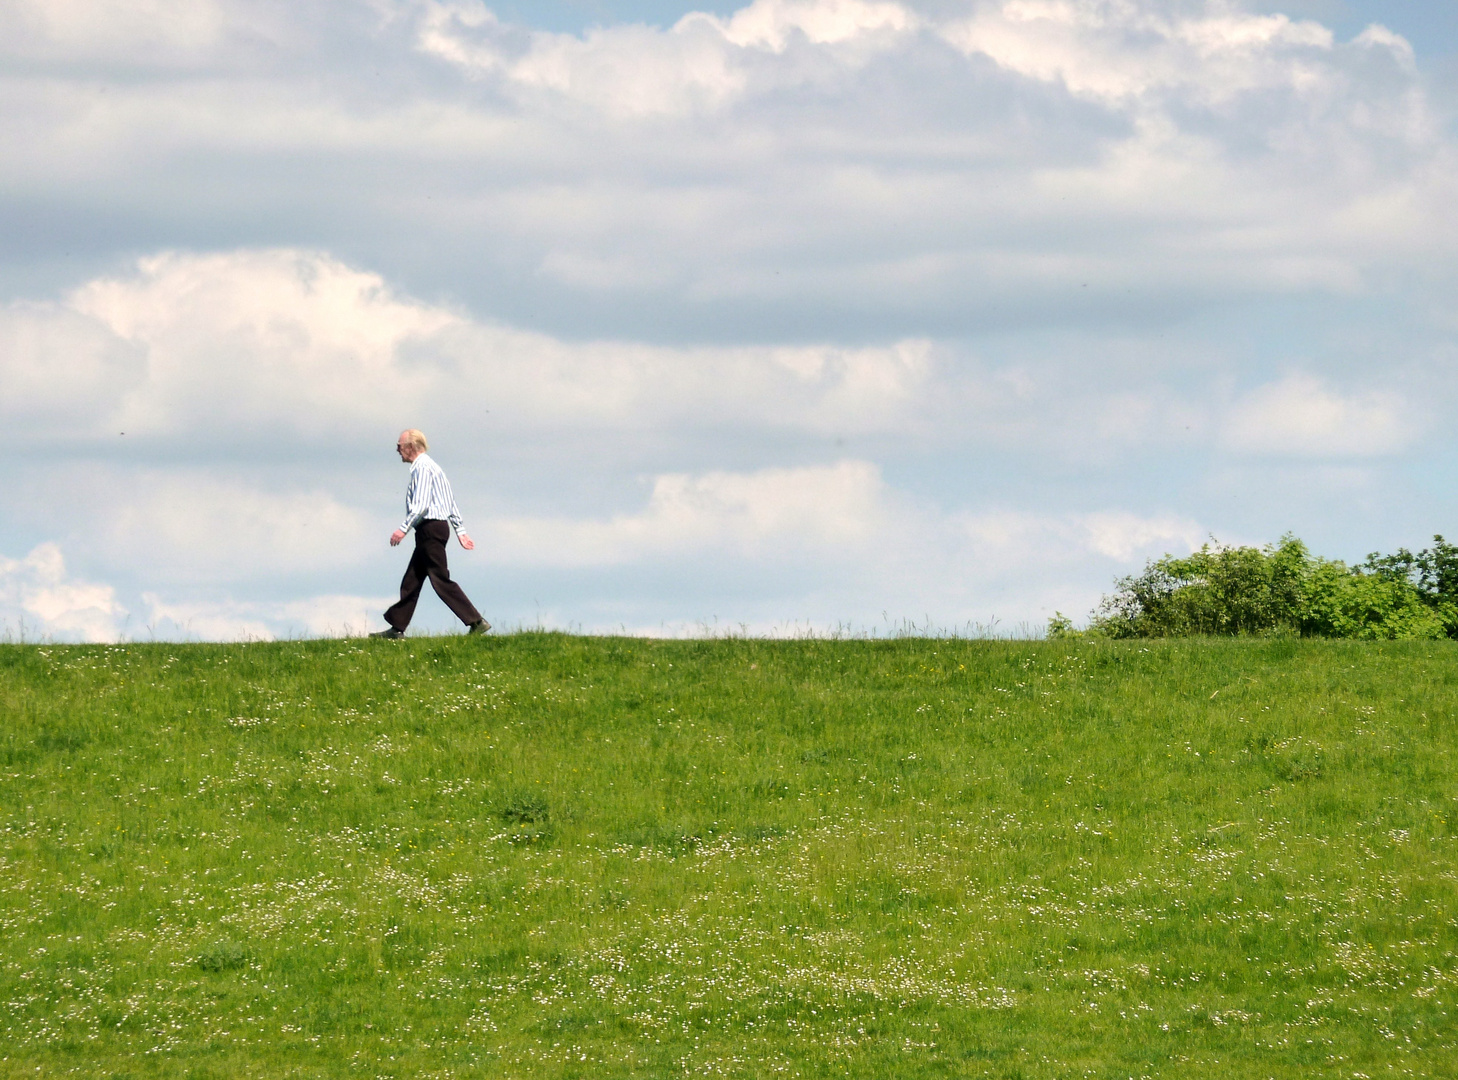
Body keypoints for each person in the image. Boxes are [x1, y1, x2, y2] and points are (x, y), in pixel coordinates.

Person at [370, 429, 489, 639]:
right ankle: (397, 629)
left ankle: (476, 621)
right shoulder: (432, 467)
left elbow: (422, 505)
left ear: (411, 446)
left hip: (430, 529)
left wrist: (402, 529)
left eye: (399, 445)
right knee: (412, 580)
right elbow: (449, 501)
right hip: (434, 529)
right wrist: (460, 530)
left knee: (440, 579)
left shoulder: (422, 468)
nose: (397, 449)